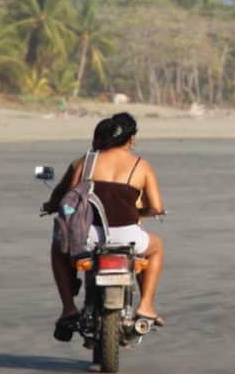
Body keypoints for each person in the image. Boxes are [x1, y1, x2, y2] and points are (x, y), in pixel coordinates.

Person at [42, 112, 166, 341]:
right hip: (128, 237)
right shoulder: (141, 165)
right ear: (130, 140)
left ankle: (68, 308)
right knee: (157, 248)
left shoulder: (87, 161)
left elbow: (71, 199)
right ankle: (146, 305)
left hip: (88, 237)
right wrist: (141, 212)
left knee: (58, 248)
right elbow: (157, 207)